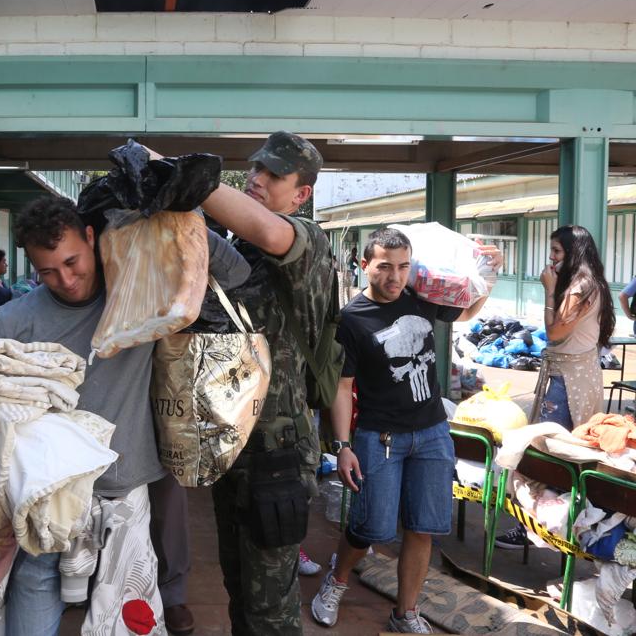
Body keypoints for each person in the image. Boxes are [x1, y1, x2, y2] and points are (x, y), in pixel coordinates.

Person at [0, 195, 249, 636]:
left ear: (92, 237)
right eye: (48, 271)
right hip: (47, 495)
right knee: (36, 581)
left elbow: (236, 273)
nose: (65, 280)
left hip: (125, 488)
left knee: (125, 606)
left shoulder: (141, 294)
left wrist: (177, 206)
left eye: (72, 262)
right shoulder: (15, 320)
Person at [310, 227, 500, 633]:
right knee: (371, 528)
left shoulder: (422, 297)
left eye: (402, 266)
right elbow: (343, 387)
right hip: (380, 438)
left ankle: (406, 612)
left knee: (423, 526)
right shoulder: (350, 320)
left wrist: (489, 275)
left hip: (432, 432)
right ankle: (337, 579)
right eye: (384, 267)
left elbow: (465, 311)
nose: (394, 277)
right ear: (365, 266)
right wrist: (342, 445)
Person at [197, 131, 339, 635]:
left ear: (301, 195)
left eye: (274, 175)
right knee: (239, 589)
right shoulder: (243, 250)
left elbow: (269, 231)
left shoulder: (305, 242)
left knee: (271, 609)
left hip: (276, 454)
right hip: (232, 446)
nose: (257, 179)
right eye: (256, 169)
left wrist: (188, 180)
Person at [496, 224, 615, 550]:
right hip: (576, 375)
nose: (551, 259)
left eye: (557, 252)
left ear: (573, 254)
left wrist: (548, 289)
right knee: (565, 452)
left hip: (570, 381)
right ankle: (553, 525)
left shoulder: (582, 285)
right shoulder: (590, 282)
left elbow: (555, 333)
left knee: (548, 451)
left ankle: (538, 527)